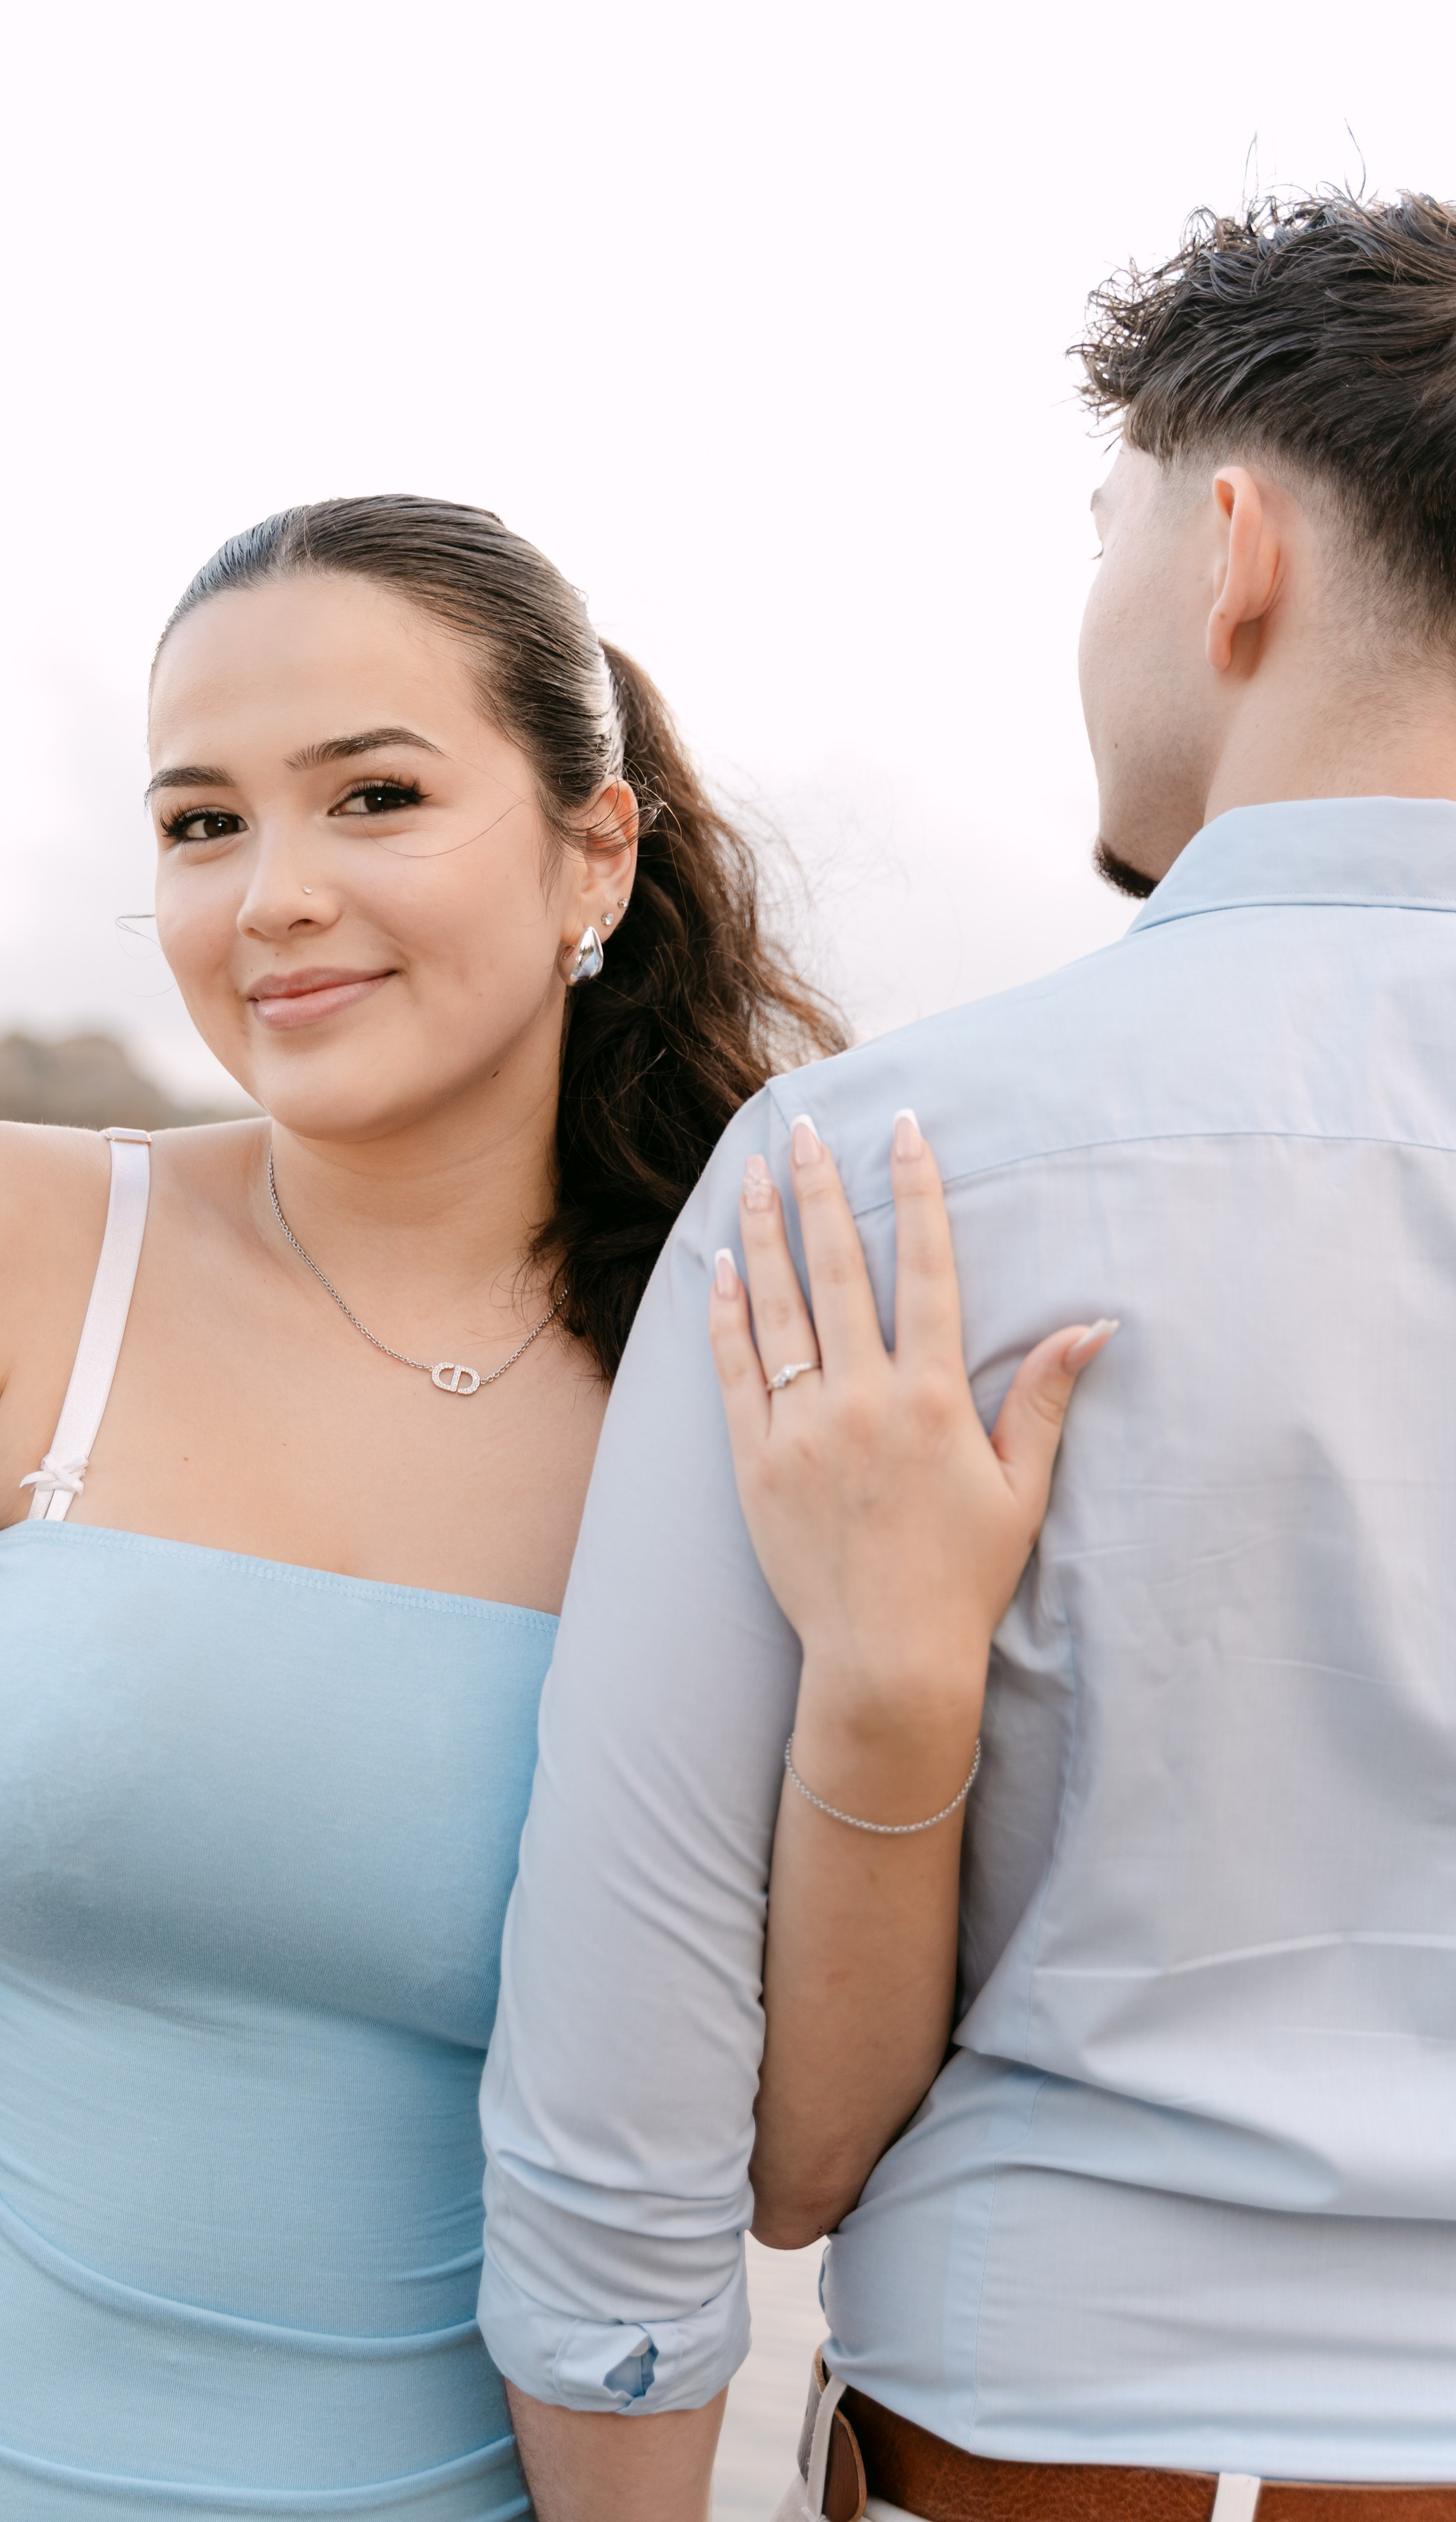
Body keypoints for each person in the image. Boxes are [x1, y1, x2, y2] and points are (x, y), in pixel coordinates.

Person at [480, 190, 1456, 2521]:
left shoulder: (875, 1174)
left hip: (1053, 2448)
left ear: (1231, 553)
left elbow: (635, 2069)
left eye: (1103, 531)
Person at [0, 492, 857, 2521]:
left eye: (374, 795)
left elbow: (805, 2140)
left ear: (592, 853)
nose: (272, 893)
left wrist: (898, 1668)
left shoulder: (740, 1390)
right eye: (203, 823)